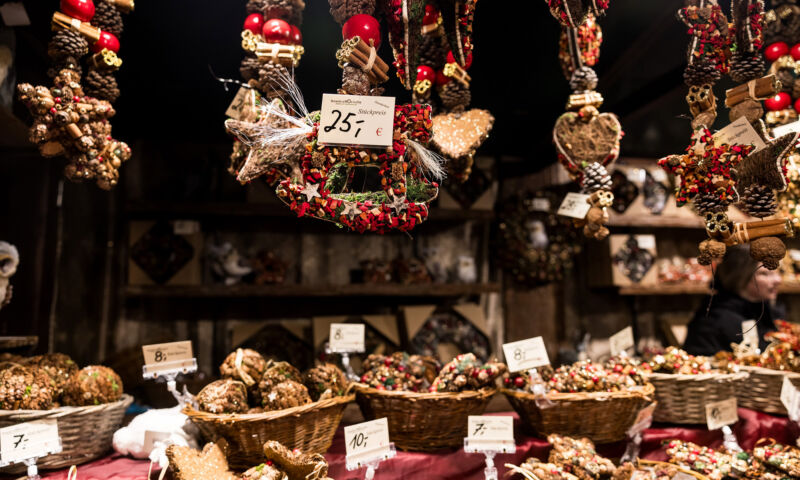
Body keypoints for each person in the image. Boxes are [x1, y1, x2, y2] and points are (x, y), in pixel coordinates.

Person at [683, 246, 785, 356]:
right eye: (764, 273)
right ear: (740, 276)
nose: (778, 280)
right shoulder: (712, 320)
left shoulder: (767, 313)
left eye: (777, 272)